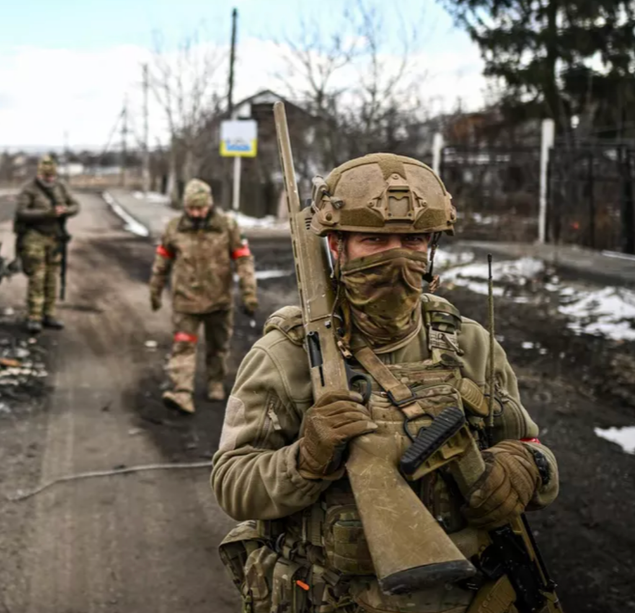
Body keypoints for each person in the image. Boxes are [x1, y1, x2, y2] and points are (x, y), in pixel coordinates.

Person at [210, 153, 559, 613]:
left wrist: (525, 466)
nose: (397, 256)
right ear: (337, 246)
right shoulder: (286, 355)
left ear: (431, 246)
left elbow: (531, 446)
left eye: (413, 240)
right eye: (374, 239)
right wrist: (305, 460)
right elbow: (232, 482)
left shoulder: (469, 342)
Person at [149, 178, 257, 415]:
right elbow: (162, 261)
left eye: (200, 208)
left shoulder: (227, 226)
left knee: (218, 346)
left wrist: (249, 293)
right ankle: (182, 392)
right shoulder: (174, 228)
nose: (196, 213)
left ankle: (215, 381)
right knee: (183, 346)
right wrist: (155, 289)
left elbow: (243, 259)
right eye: (191, 208)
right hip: (185, 301)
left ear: (209, 205)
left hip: (219, 300)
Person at [14, 155, 79, 335]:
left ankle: (48, 313)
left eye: (52, 176)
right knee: (37, 276)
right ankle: (34, 316)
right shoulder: (29, 189)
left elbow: (75, 205)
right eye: (46, 176)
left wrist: (65, 210)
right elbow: (22, 212)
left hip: (54, 237)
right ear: (40, 174)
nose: (50, 179)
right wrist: (47, 213)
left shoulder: (60, 186)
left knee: (52, 277)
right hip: (34, 236)